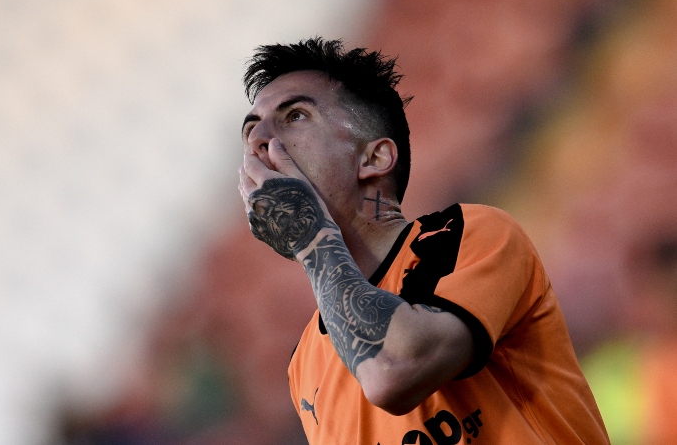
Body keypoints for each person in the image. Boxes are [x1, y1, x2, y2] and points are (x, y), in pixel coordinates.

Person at [237, 38, 608, 445]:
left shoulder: (474, 234)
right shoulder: (304, 364)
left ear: (374, 158)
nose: (259, 142)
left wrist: (312, 239)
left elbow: (393, 371)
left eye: (295, 116)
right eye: (251, 131)